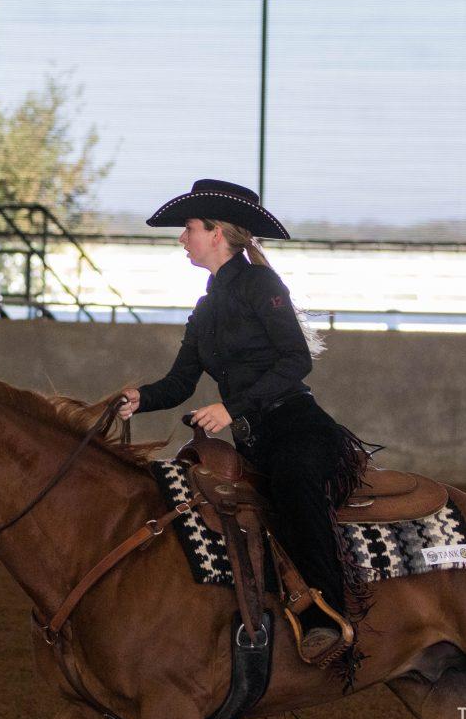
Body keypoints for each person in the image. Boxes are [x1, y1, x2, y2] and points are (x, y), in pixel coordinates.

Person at [119, 178, 382, 665]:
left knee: (294, 486)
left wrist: (232, 409)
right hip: (256, 439)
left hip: (298, 429)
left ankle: (330, 616)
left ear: (216, 233)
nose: (182, 238)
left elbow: (295, 360)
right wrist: (140, 396)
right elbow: (179, 382)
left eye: (189, 229)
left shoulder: (261, 285)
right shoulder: (206, 310)